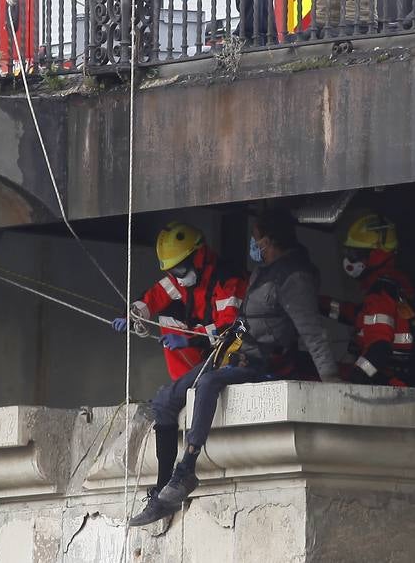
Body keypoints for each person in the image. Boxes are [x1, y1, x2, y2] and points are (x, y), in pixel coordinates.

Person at [132, 208, 339, 525]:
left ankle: (185, 469)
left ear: (269, 241)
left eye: (256, 240)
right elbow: (239, 322)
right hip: (236, 351)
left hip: (265, 362)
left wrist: (332, 382)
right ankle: (162, 493)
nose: (253, 246)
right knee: (165, 398)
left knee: (208, 383)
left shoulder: (293, 277)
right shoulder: (262, 272)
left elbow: (312, 333)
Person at [112, 222, 246, 526]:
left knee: (166, 400)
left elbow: (230, 329)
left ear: (198, 256)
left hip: (226, 357)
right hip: (204, 356)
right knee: (165, 402)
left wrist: (190, 337)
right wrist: (128, 315)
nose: (177, 275)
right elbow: (152, 298)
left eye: (181, 268)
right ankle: (162, 488)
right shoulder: (182, 276)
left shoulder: (228, 279)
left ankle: (168, 487)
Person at [320, 213, 415, 387]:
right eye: (349, 252)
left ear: (376, 254)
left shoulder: (381, 293)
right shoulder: (398, 284)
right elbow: (361, 316)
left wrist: (357, 377)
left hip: (393, 383)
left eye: (356, 254)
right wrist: (319, 304)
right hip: (412, 378)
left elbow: (379, 348)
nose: (349, 260)